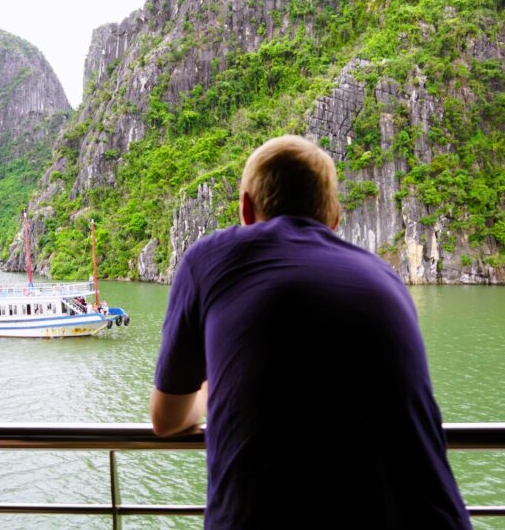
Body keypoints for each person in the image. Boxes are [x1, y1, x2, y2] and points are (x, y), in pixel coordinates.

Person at [149, 135, 471, 528]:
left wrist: (210, 392)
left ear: (246, 209)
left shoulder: (210, 258)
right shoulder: (386, 278)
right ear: (334, 218)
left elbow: (167, 419)